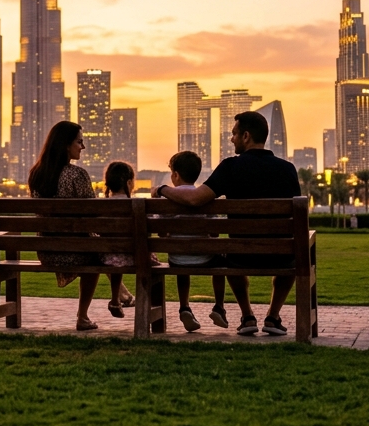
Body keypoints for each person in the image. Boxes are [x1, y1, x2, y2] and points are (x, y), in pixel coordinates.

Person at [157, 111, 300, 337]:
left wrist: (162, 190)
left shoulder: (231, 167)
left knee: (227, 254)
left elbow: (195, 199)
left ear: (246, 136)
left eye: (234, 134)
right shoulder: (287, 169)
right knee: (295, 253)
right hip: (281, 254)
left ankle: (247, 316)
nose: (231, 139)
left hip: (241, 255)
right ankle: (273, 317)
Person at [28, 121, 102, 331]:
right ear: (65, 145)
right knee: (98, 253)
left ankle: (120, 294)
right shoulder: (77, 174)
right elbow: (94, 213)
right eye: (79, 142)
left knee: (94, 248)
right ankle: (83, 316)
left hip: (47, 251)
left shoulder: (36, 174)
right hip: (76, 252)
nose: (83, 147)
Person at [161, 150, 230, 333]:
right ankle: (219, 307)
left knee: (181, 263)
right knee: (220, 259)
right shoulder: (204, 198)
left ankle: (184, 306)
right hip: (205, 258)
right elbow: (215, 234)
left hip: (176, 259)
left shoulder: (167, 199)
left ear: (175, 175)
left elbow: (161, 233)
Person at [98, 161, 137, 318]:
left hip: (106, 257)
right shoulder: (134, 204)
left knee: (114, 257)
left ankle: (116, 299)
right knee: (119, 256)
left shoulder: (101, 205)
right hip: (133, 256)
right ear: (128, 182)